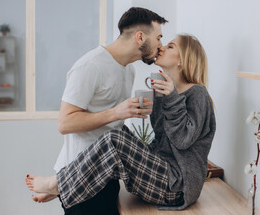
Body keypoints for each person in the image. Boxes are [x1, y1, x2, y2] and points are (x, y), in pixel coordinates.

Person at [26, 34, 216, 211]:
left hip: (177, 185)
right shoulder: (165, 93)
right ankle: (65, 184)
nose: (162, 48)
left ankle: (57, 184)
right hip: (163, 172)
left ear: (182, 60)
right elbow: (161, 136)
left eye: (170, 46)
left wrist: (172, 98)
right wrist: (162, 98)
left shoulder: (197, 94)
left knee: (115, 140)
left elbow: (183, 140)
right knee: (120, 131)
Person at [32, 7, 168, 215]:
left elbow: (110, 130)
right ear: (140, 37)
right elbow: (65, 123)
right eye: (158, 37)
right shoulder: (90, 66)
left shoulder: (128, 70)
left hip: (106, 176)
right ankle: (59, 185)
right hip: (82, 179)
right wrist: (116, 112)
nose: (161, 45)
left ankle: (57, 186)